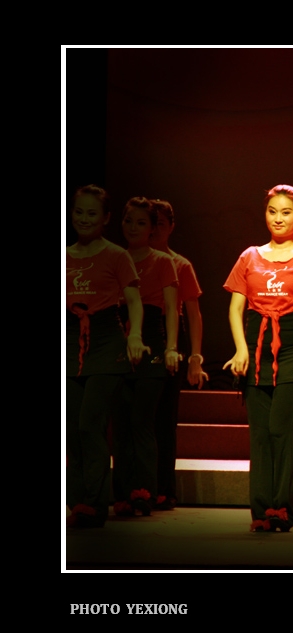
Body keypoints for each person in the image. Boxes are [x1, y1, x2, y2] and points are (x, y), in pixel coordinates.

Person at [223, 185, 293, 532]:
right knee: (260, 434)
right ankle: (261, 510)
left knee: (281, 430)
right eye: (273, 211)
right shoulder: (249, 256)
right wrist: (241, 349)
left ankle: (281, 507)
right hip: (257, 346)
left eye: (286, 212)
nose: (278, 218)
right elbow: (236, 308)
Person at [66, 185, 147, 528]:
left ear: (105, 218)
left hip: (105, 341)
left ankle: (94, 502)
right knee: (71, 429)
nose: (84, 219)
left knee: (90, 424)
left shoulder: (116, 255)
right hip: (70, 340)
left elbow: (134, 302)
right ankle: (76, 501)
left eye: (92, 213)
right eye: (79, 212)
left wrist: (134, 336)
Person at [112, 197, 180, 517]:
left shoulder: (162, 261)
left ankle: (144, 491)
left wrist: (171, 348)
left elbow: (173, 310)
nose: (133, 227)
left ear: (152, 229)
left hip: (152, 338)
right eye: (129, 221)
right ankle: (122, 492)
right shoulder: (115, 257)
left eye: (141, 223)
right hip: (119, 339)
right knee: (121, 422)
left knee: (142, 419)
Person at [149, 199, 209, 511]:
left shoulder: (180, 264)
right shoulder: (126, 259)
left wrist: (195, 357)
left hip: (169, 336)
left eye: (159, 223)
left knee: (163, 419)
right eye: (149, 223)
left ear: (171, 227)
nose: (153, 229)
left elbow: (193, 314)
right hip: (134, 334)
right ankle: (136, 486)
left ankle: (163, 488)